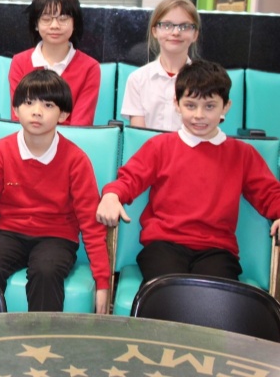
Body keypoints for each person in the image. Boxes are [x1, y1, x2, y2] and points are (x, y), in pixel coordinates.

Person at [97, 60, 280, 284]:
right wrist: (112, 195)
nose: (199, 115)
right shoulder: (160, 146)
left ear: (226, 106)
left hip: (217, 250)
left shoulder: (242, 154)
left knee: (214, 297)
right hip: (163, 244)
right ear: (177, 104)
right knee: (168, 291)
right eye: (191, 105)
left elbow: (269, 193)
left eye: (210, 106)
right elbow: (129, 179)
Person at [0, 70, 110, 313]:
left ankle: (41, 335)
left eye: (48, 105)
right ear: (15, 109)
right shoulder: (0, 152)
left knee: (46, 271)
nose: (37, 111)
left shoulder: (76, 160)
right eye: (28, 103)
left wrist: (102, 282)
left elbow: (91, 222)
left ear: (63, 114)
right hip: (10, 232)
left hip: (57, 236)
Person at [8, 0, 99, 126]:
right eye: (46, 19)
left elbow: (81, 125)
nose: (55, 25)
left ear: (75, 23)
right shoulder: (20, 62)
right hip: (28, 137)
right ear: (36, 24)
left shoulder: (90, 67)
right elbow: (18, 116)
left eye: (63, 18)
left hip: (70, 139)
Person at [120, 0, 200, 131]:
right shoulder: (138, 79)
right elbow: (138, 135)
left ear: (195, 34)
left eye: (185, 26)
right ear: (155, 31)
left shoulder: (206, 81)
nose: (175, 32)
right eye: (167, 25)